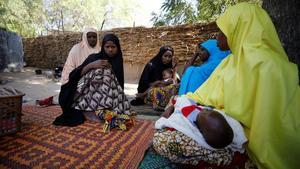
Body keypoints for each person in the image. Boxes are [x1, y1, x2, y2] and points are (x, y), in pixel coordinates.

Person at [186, 3, 300, 169]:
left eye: (222, 31)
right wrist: (180, 103)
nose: (218, 37)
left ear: (238, 29)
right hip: (221, 129)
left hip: (249, 143)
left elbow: (269, 125)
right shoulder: (230, 62)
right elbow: (201, 96)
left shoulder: (269, 66)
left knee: (169, 142)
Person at [53, 33, 133, 132]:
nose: (110, 49)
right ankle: (87, 110)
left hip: (107, 96)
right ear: (103, 47)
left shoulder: (118, 60)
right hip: (86, 94)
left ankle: (102, 109)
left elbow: (119, 85)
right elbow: (73, 75)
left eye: (113, 47)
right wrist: (91, 65)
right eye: (107, 47)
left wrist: (118, 104)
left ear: (118, 48)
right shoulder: (93, 58)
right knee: (102, 71)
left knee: (123, 111)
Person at [153, 96, 247, 165]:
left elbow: (173, 120)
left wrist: (168, 115)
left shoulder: (190, 127)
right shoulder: (207, 115)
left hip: (175, 116)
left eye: (204, 112)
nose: (204, 111)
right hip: (185, 103)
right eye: (208, 111)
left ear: (200, 131)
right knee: (177, 99)